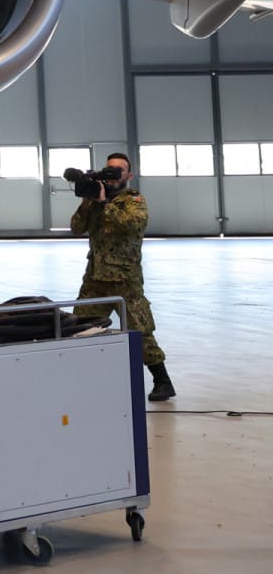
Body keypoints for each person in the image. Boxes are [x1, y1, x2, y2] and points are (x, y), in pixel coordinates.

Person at [69, 152, 173, 401]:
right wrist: (87, 201)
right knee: (79, 329)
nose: (113, 175)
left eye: (118, 170)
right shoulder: (95, 198)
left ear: (128, 175)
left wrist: (105, 204)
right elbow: (76, 228)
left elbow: (133, 225)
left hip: (125, 280)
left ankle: (163, 381)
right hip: (95, 278)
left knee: (141, 332)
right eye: (109, 169)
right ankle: (79, 378)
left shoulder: (134, 200)